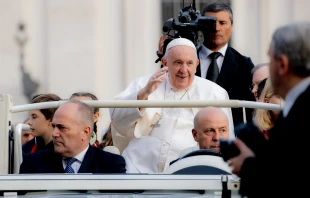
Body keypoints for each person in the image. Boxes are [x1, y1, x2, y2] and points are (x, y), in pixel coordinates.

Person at [110, 38, 234, 173]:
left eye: (189, 63)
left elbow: (227, 138)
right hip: (138, 167)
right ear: (165, 63)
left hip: (188, 171)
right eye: (178, 63)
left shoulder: (214, 92)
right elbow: (116, 115)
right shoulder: (145, 83)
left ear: (197, 64)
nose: (184, 70)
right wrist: (144, 94)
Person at [226, 21, 310, 198]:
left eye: (270, 59)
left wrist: (248, 165)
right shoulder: (296, 106)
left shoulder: (302, 113)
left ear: (282, 64)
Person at [157, 3, 255, 126]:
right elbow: (165, 91)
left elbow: (253, 110)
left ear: (232, 26)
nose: (216, 28)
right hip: (188, 133)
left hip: (227, 137)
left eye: (222, 23)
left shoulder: (244, 65)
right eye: (211, 23)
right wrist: (165, 58)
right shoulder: (184, 59)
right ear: (201, 26)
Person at [20, 100, 126, 174]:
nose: (54, 133)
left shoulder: (111, 164)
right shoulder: (33, 163)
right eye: (54, 127)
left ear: (85, 132)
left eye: (62, 127)